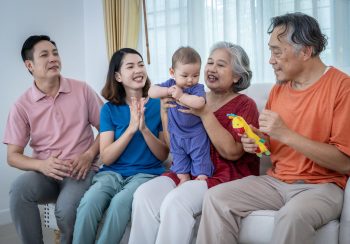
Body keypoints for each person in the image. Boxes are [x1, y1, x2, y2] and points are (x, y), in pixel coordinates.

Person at [196, 12, 350, 244]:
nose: (270, 60)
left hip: (322, 187)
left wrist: (287, 134)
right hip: (276, 182)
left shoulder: (342, 87)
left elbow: (344, 161)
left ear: (306, 51)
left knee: (291, 217)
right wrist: (256, 141)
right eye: (270, 51)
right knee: (216, 198)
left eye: (277, 52)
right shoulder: (279, 89)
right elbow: (268, 145)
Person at [128, 41, 260, 244]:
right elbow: (175, 147)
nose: (212, 69)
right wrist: (165, 111)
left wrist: (205, 113)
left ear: (237, 76)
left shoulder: (244, 104)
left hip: (223, 175)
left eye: (221, 64)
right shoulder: (186, 94)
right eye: (210, 62)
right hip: (186, 169)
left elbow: (232, 152)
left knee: (176, 201)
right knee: (144, 195)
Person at [3, 35, 102, 244]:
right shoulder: (21, 105)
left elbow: (108, 130)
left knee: (66, 211)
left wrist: (89, 155)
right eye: (45, 55)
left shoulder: (82, 90)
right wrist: (42, 165)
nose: (53, 59)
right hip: (45, 174)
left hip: (79, 171)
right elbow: (13, 156)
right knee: (19, 191)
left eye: (55, 53)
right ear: (29, 65)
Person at [72, 48, 169, 244]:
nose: (138, 70)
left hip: (145, 174)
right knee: (89, 202)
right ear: (118, 76)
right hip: (111, 174)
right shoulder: (109, 109)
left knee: (119, 203)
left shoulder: (158, 105)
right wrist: (131, 129)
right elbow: (106, 157)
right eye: (130, 66)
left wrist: (143, 129)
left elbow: (164, 154)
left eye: (141, 64)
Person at [148, 46, 214, 184]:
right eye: (185, 76)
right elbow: (151, 92)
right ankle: (184, 181)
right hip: (176, 135)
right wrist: (166, 91)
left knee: (201, 164)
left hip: (196, 135)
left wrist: (181, 95)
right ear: (172, 72)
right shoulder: (170, 85)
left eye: (195, 75)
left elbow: (199, 102)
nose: (190, 80)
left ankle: (200, 180)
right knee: (180, 166)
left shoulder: (197, 88)